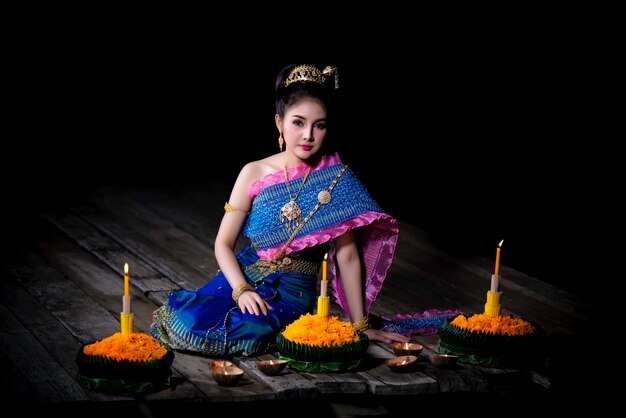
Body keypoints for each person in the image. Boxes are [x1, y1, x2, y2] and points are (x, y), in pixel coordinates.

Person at [150, 64, 408, 357]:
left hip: (294, 290)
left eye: (319, 125)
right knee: (188, 321)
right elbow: (223, 244)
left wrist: (359, 323)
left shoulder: (336, 179)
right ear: (279, 123)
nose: (308, 135)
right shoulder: (253, 172)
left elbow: (347, 256)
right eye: (298, 122)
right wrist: (242, 290)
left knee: (248, 329)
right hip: (245, 273)